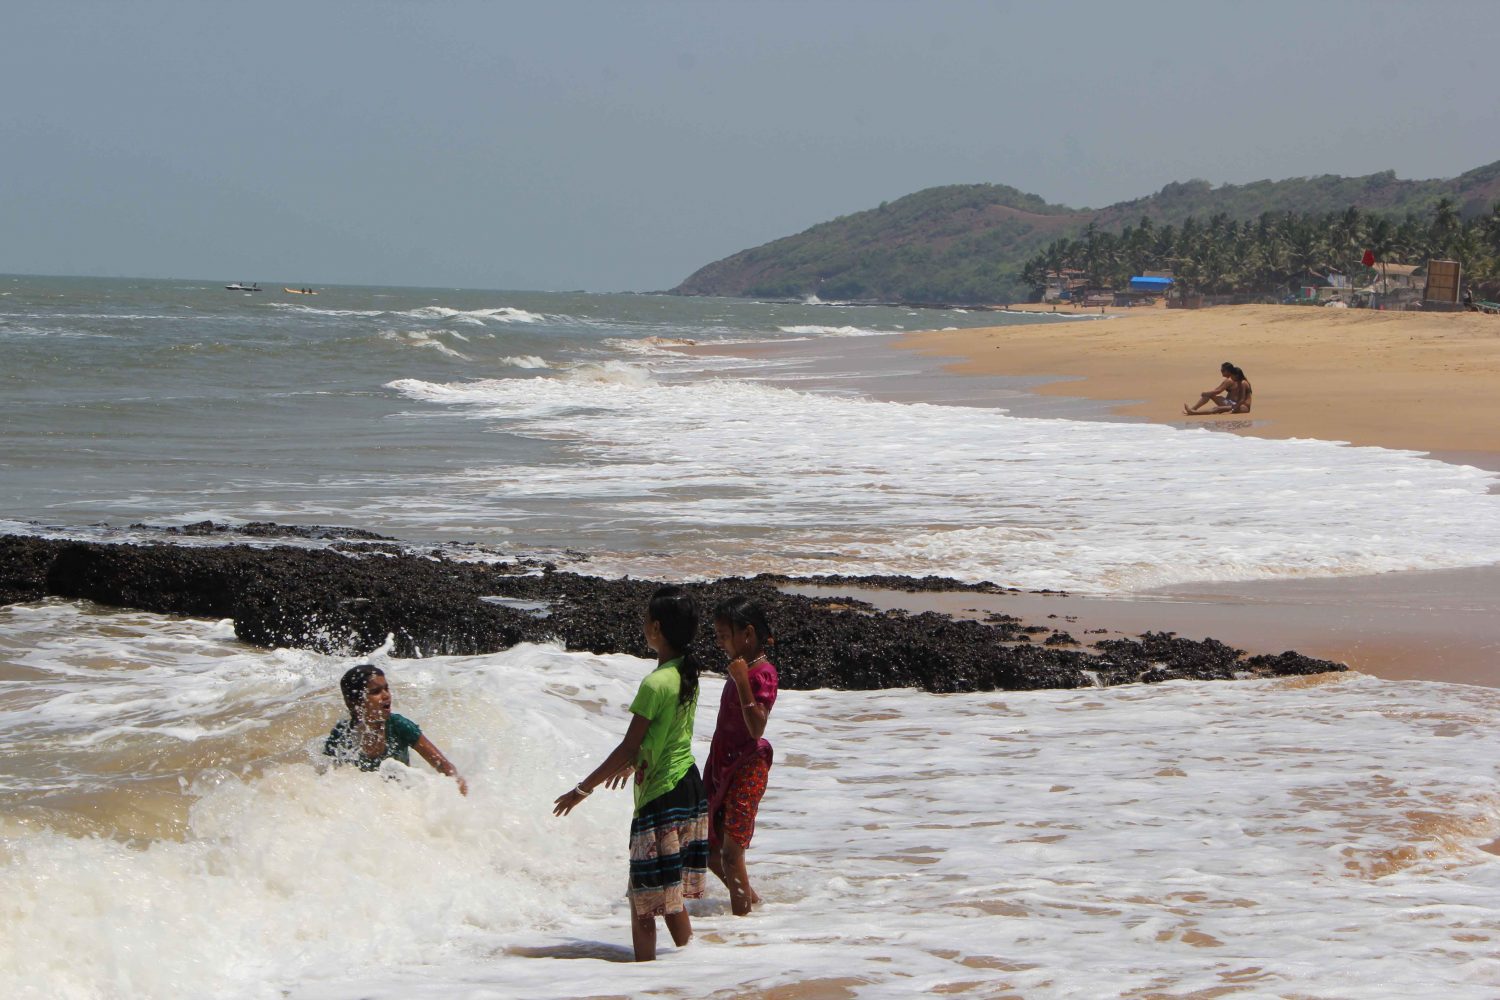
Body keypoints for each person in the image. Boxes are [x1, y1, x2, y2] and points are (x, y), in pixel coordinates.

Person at [553, 586, 709, 962]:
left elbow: (629, 744)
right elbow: (668, 733)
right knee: (669, 896)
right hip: (688, 785)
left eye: (645, 620)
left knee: (643, 902)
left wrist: (582, 789)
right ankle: (696, 971)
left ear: (656, 628)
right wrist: (634, 761)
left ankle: (644, 980)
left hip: (661, 795)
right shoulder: (687, 671)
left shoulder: (655, 683)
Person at [704, 596, 779, 916]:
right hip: (724, 763)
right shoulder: (743, 669)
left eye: (724, 636)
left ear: (747, 634)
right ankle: (750, 901)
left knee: (731, 853)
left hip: (748, 765)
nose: (720, 643)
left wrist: (741, 682)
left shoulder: (761, 673)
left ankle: (742, 921)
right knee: (709, 848)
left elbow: (756, 728)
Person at [323, 664, 468, 795]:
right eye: (375, 691)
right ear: (354, 702)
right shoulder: (342, 734)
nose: (386, 695)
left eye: (386, 688)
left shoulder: (399, 726)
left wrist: (458, 788)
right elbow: (329, 777)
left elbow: (443, 765)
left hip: (403, 798)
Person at [1183, 362, 1251, 415]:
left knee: (1217, 408)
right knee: (1216, 407)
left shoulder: (1242, 383)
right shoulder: (1239, 381)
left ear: (1236, 375)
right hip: (1234, 404)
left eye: (1223, 370)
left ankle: (1193, 412)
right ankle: (1192, 411)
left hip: (1242, 407)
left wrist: (1233, 410)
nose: (1231, 378)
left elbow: (1241, 399)